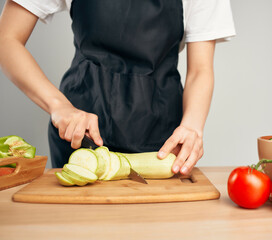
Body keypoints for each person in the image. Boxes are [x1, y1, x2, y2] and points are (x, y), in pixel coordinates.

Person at [0, 0, 235, 175]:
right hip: (80, 134)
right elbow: (6, 39)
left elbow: (200, 71)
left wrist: (192, 128)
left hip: (162, 140)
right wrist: (58, 106)